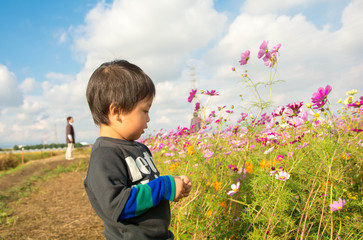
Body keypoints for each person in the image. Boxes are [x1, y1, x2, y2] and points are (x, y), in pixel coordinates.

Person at [84, 60, 192, 240]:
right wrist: (164, 186)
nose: (148, 119)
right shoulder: (105, 154)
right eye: (145, 110)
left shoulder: (139, 148)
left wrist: (174, 185)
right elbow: (117, 205)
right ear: (116, 111)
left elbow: (146, 187)